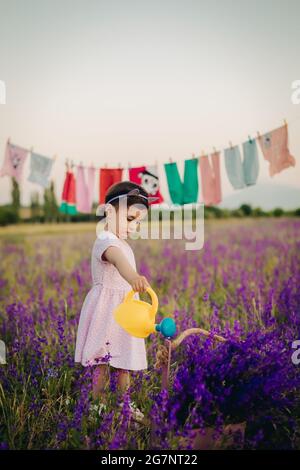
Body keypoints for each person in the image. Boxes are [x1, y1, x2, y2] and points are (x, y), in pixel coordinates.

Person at [74, 181, 157, 422]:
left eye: (139, 222)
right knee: (102, 359)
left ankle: (124, 405)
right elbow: (118, 260)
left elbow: (124, 256)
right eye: (130, 219)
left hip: (125, 310)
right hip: (105, 309)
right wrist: (134, 277)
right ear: (110, 212)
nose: (135, 226)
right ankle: (97, 406)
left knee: (124, 361)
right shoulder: (106, 240)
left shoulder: (124, 243)